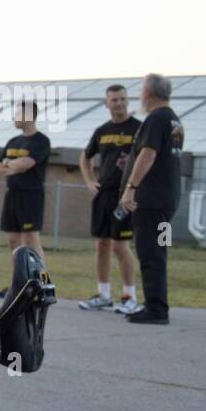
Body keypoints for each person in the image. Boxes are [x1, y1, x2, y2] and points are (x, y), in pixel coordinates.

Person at [119, 74, 183, 325]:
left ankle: (156, 309)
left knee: (150, 251)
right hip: (168, 200)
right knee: (159, 250)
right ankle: (157, 303)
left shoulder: (156, 119)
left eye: (141, 91)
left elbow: (148, 153)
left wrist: (131, 187)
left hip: (152, 201)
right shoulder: (174, 120)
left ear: (149, 94)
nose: (139, 96)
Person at [77, 84, 140, 312]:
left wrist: (135, 188)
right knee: (102, 245)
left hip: (125, 195)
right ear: (107, 103)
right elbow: (84, 157)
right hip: (103, 195)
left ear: (128, 101)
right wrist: (88, 180)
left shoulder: (139, 129)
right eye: (114, 100)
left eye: (123, 99)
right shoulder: (102, 131)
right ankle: (104, 295)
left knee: (120, 246)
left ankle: (129, 296)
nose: (119, 103)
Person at [0, 99, 50, 296]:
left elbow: (27, 164)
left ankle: (42, 284)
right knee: (13, 240)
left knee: (31, 240)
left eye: (18, 113)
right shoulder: (13, 142)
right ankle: (17, 286)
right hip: (12, 195)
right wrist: (12, 165)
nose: (14, 117)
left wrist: (10, 164)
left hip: (31, 195)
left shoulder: (41, 141)